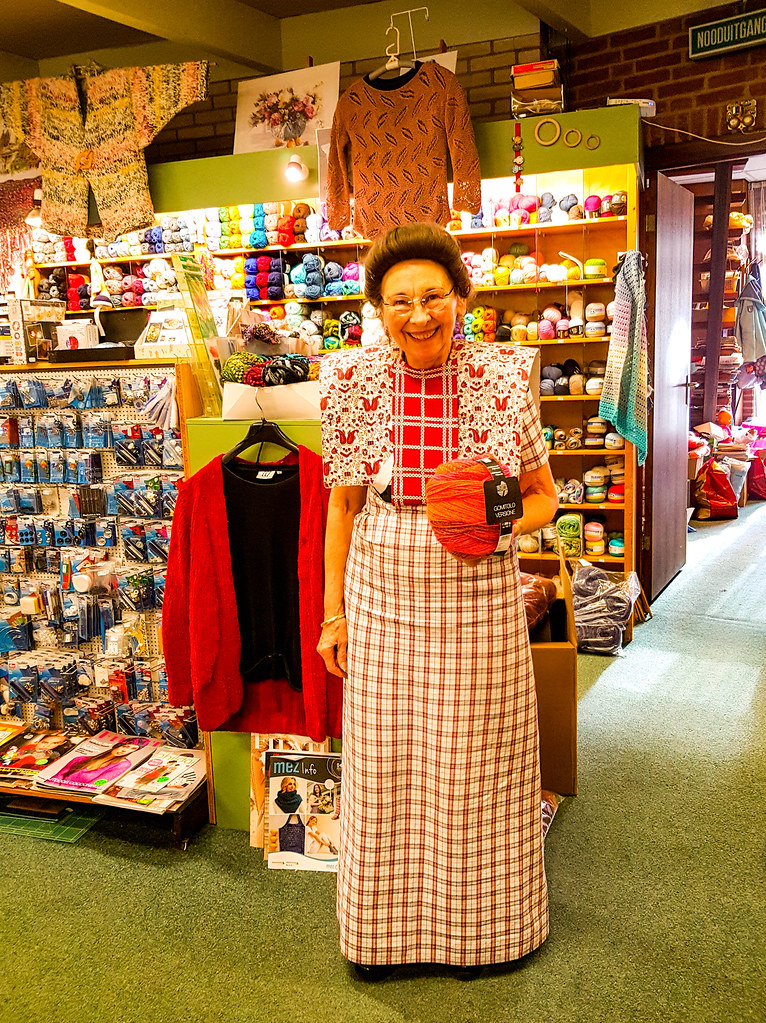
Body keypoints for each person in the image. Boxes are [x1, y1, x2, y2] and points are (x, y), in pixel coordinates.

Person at [317, 222, 559, 981]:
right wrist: (333, 612)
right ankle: (382, 939)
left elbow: (544, 498)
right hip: (381, 594)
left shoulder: (504, 376)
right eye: (399, 301)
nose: (417, 314)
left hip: (478, 595)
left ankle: (483, 937)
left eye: (432, 296)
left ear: (461, 298)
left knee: (475, 765)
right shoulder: (352, 382)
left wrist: (490, 528)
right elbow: (343, 507)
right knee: (384, 765)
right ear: (377, 310)